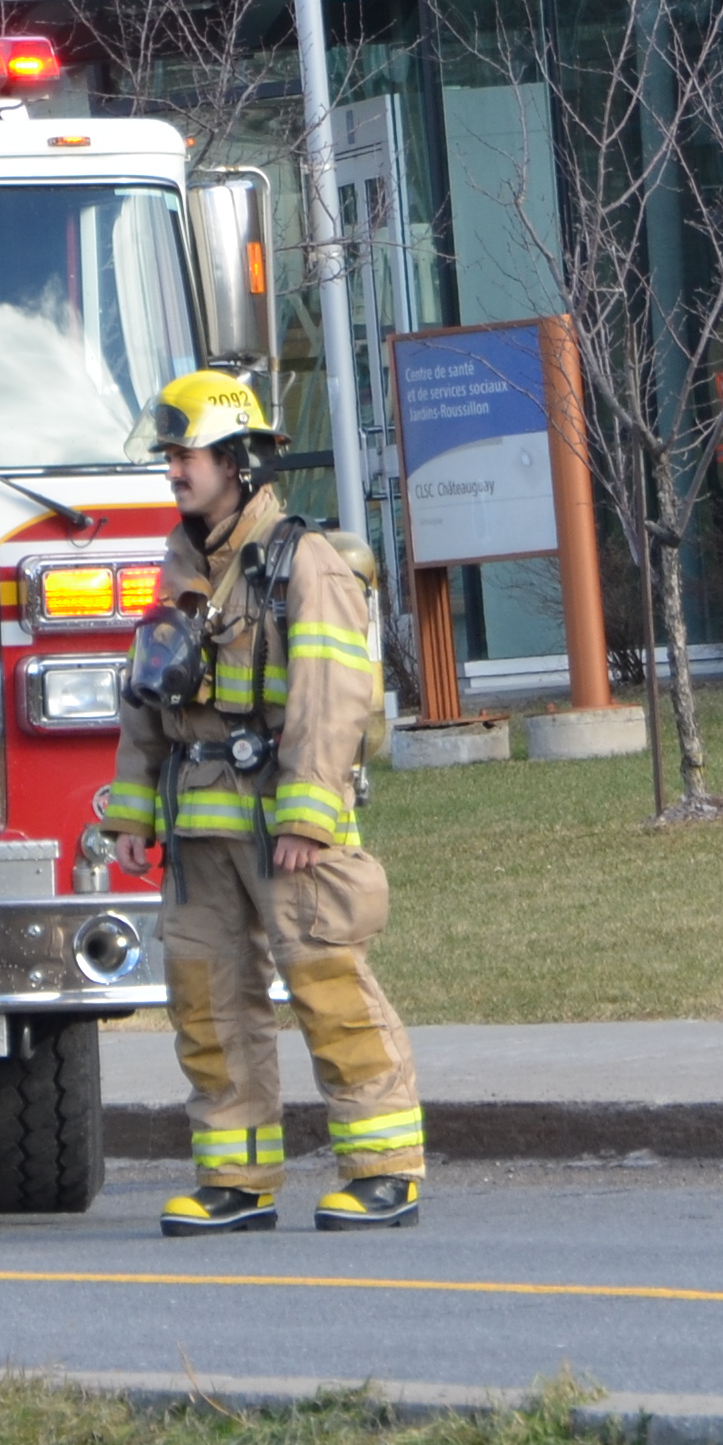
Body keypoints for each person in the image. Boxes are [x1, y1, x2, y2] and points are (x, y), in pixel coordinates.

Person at [91, 371, 428, 1236]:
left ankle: (384, 1170)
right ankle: (236, 1182)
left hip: (285, 826)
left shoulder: (302, 562)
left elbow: (332, 695)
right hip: (198, 833)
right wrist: (131, 815)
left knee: (327, 987)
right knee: (206, 1007)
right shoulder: (179, 570)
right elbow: (146, 701)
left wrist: (308, 816)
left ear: (237, 461)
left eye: (189, 454)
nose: (174, 470)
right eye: (169, 455)